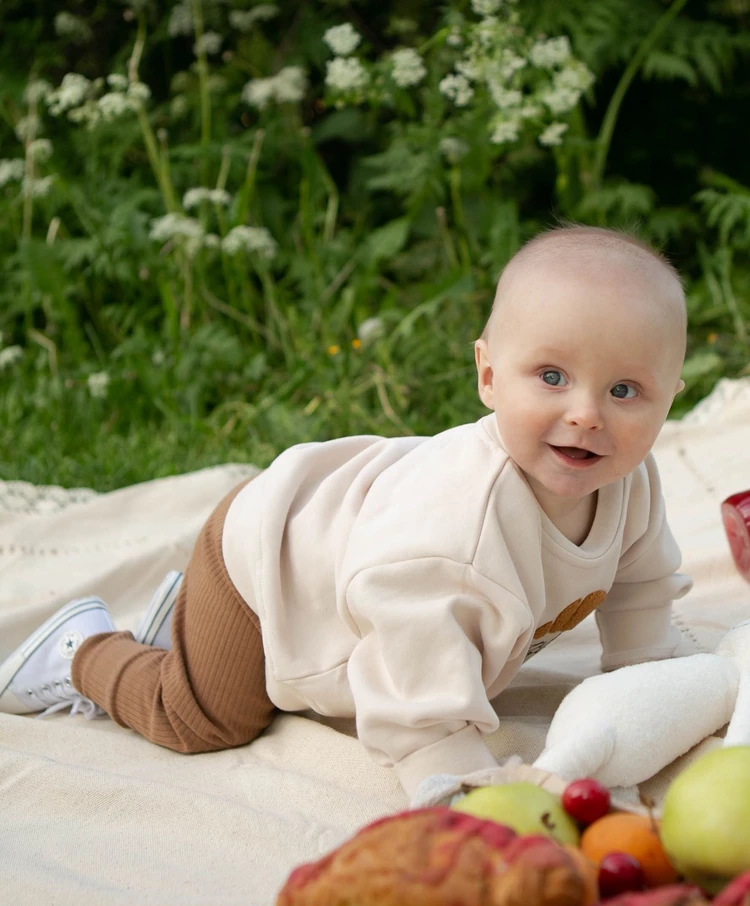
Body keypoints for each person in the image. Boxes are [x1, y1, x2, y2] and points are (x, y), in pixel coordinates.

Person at [0, 224, 692, 800]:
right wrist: (465, 793)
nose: (585, 415)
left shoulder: (632, 483)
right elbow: (416, 705)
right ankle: (82, 649)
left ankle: (178, 623)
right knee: (201, 719)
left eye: (625, 390)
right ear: (487, 375)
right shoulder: (451, 539)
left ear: (670, 399)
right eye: (551, 377)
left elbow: (642, 586)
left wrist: (643, 685)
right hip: (270, 566)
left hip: (345, 523)